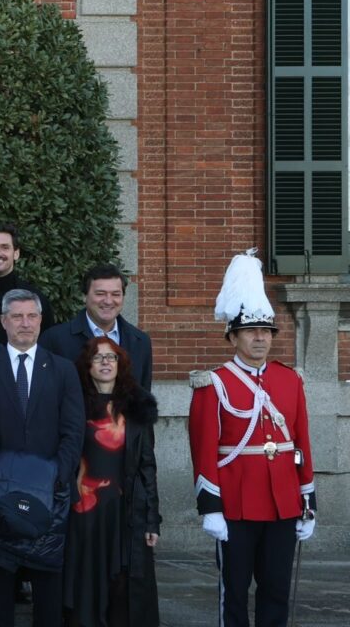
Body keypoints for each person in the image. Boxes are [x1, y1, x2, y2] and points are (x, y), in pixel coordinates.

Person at [191, 251, 315, 627]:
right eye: (251, 331)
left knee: (276, 588)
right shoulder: (213, 383)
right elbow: (203, 448)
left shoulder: (289, 380)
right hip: (236, 504)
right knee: (235, 588)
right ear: (233, 336)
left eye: (266, 332)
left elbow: (301, 444)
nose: (261, 338)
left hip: (283, 503)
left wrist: (307, 500)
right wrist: (210, 506)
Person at [0, 289, 83, 627]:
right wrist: (0, 476)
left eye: (31, 316)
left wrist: (57, 476)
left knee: (48, 588)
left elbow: (73, 429)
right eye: (16, 316)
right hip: (0, 495)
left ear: (40, 321)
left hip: (52, 495)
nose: (25, 323)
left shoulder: (62, 370)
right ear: (3, 322)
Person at [64, 336, 160, 627]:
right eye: (98, 357)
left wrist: (152, 519)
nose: (105, 363)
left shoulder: (136, 406)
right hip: (84, 511)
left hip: (124, 510)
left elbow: (147, 466)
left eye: (112, 357)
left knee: (123, 585)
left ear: (121, 364)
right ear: (87, 366)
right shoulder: (73, 404)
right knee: (85, 579)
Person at [40, 264, 154, 390]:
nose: (108, 301)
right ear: (84, 296)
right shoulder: (55, 340)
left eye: (115, 294)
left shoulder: (141, 342)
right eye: (100, 294)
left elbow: (144, 400)